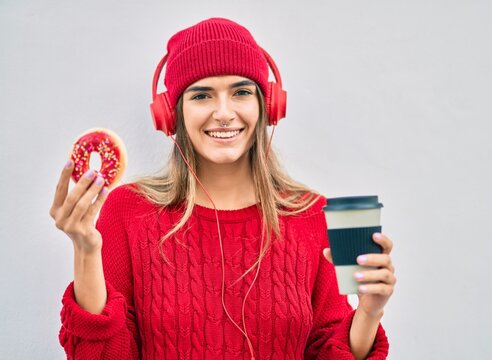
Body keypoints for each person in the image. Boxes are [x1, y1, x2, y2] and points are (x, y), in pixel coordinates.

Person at [49, 17, 396, 360]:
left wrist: (368, 312)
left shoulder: (311, 215)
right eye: (202, 95)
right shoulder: (127, 210)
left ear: (267, 105)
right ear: (172, 114)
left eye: (241, 92)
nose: (224, 113)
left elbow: (327, 350)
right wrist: (86, 249)